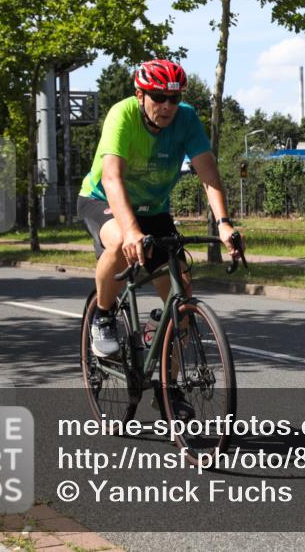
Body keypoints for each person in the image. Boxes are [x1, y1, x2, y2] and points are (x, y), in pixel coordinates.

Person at [77, 59, 239, 357]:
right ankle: (102, 315)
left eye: (174, 98)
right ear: (140, 95)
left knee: (182, 304)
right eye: (159, 97)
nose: (167, 106)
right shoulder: (122, 115)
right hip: (103, 199)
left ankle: (170, 390)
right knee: (117, 244)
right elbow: (112, 178)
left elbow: (209, 175)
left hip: (153, 209)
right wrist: (130, 230)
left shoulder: (186, 119)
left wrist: (224, 223)